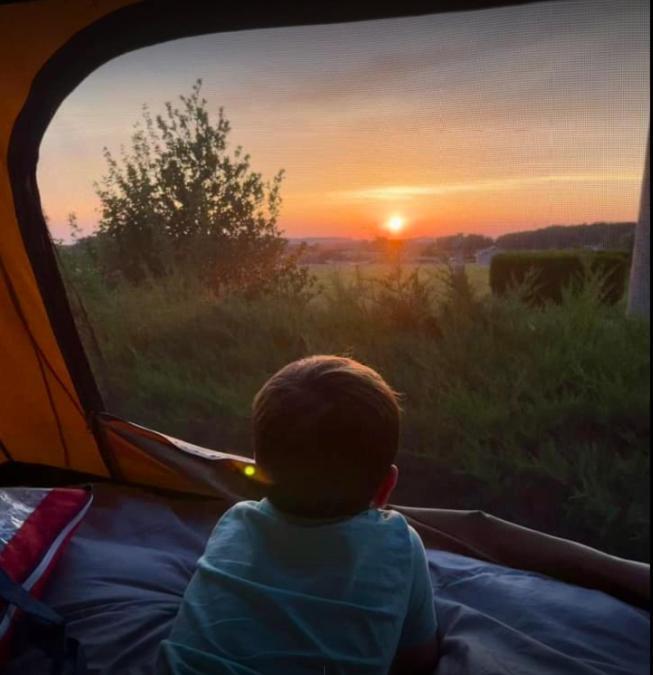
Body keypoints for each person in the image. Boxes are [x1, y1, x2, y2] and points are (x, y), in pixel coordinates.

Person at [158, 355, 439, 674]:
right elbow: (419, 658)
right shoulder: (400, 543)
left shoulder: (234, 522)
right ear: (387, 486)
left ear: (258, 471)